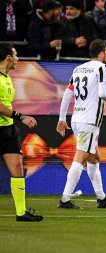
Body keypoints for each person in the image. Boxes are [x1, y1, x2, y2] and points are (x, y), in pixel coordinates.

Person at [56, 39, 106, 209]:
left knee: (94, 157)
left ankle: (102, 197)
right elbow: (102, 92)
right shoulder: (102, 67)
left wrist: (62, 118)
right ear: (101, 54)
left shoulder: (78, 68)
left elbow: (67, 94)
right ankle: (64, 199)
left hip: (77, 119)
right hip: (89, 120)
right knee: (81, 157)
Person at [0, 43, 43, 222]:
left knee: (17, 168)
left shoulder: (8, 78)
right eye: (16, 55)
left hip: (8, 130)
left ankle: (21, 212)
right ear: (8, 58)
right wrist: (21, 117)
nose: (18, 59)